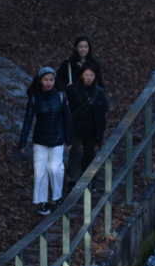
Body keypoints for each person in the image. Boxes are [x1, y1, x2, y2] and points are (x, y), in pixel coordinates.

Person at [19, 67, 74, 215]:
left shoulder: (61, 97)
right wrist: (23, 142)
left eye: (51, 80)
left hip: (57, 138)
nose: (49, 83)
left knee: (56, 169)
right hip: (40, 140)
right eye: (46, 80)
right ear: (40, 81)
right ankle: (43, 203)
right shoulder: (35, 98)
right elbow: (28, 120)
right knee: (40, 171)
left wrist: (69, 139)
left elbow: (68, 119)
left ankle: (57, 197)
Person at [64, 65, 109, 179]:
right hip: (76, 127)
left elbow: (103, 110)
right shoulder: (72, 89)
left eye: (91, 75)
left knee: (89, 155)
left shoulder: (98, 92)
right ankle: (73, 181)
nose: (89, 78)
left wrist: (101, 129)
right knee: (76, 154)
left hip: (91, 129)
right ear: (81, 76)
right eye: (86, 75)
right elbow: (67, 108)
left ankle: (89, 180)